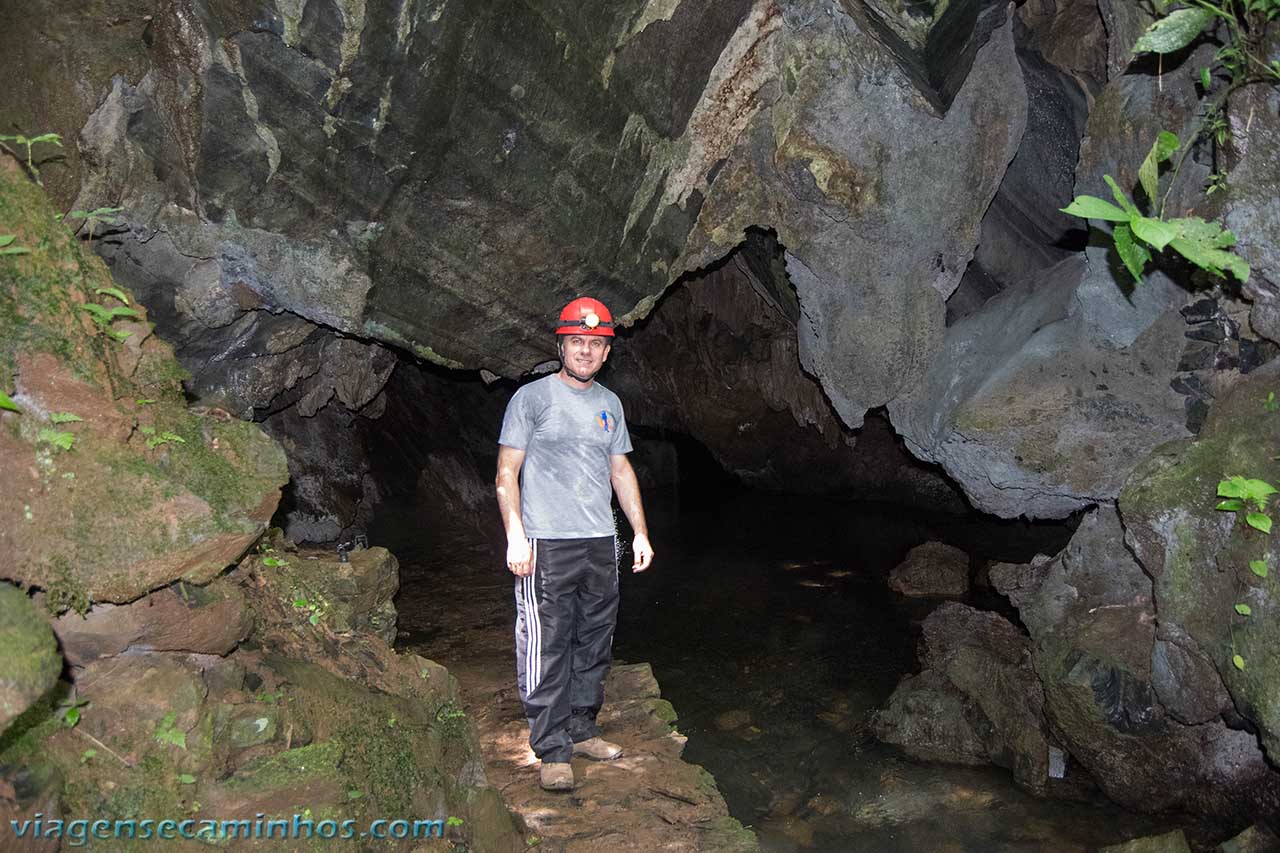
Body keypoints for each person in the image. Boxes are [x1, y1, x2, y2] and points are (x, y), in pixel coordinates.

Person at [494, 296, 655, 792]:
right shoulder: (532, 399)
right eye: (577, 342)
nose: (586, 351)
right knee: (546, 645)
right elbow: (507, 472)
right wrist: (515, 536)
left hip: (600, 543)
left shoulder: (610, 404)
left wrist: (640, 533)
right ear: (561, 345)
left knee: (594, 639)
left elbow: (620, 470)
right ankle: (551, 748)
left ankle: (582, 729)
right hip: (547, 543)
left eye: (596, 344)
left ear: (606, 352)